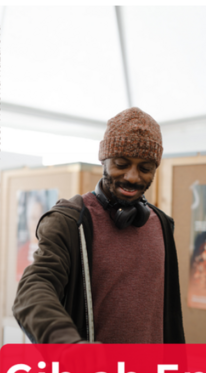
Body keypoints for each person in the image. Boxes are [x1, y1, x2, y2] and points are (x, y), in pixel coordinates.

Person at [13, 107, 185, 343]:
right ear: (103, 160)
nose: (133, 177)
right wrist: (69, 346)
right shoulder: (68, 222)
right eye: (121, 164)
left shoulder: (162, 225)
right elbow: (34, 290)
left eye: (145, 168)